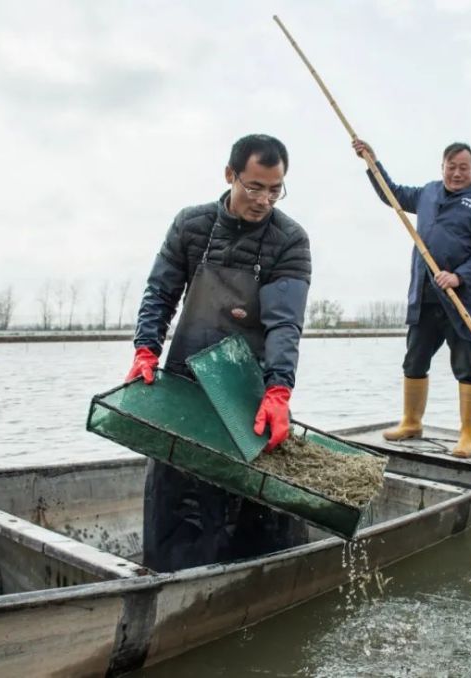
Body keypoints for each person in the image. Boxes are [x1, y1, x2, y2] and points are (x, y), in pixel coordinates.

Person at [127, 134, 311, 571]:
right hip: (185, 384)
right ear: (230, 176)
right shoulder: (190, 226)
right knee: (175, 495)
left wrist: (279, 389)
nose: (264, 199)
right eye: (254, 186)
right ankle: (168, 576)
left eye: (275, 189)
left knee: (243, 506)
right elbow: (160, 292)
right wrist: (145, 349)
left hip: (248, 393)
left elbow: (284, 323)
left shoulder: (290, 240)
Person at [352, 138, 471, 458]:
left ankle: (467, 436)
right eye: (451, 167)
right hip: (424, 295)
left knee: (466, 365)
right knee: (414, 360)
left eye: (464, 168)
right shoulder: (428, 193)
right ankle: (411, 422)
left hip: (461, 299)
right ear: (442, 167)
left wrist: (459, 275)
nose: (457, 173)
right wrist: (372, 162)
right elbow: (390, 194)